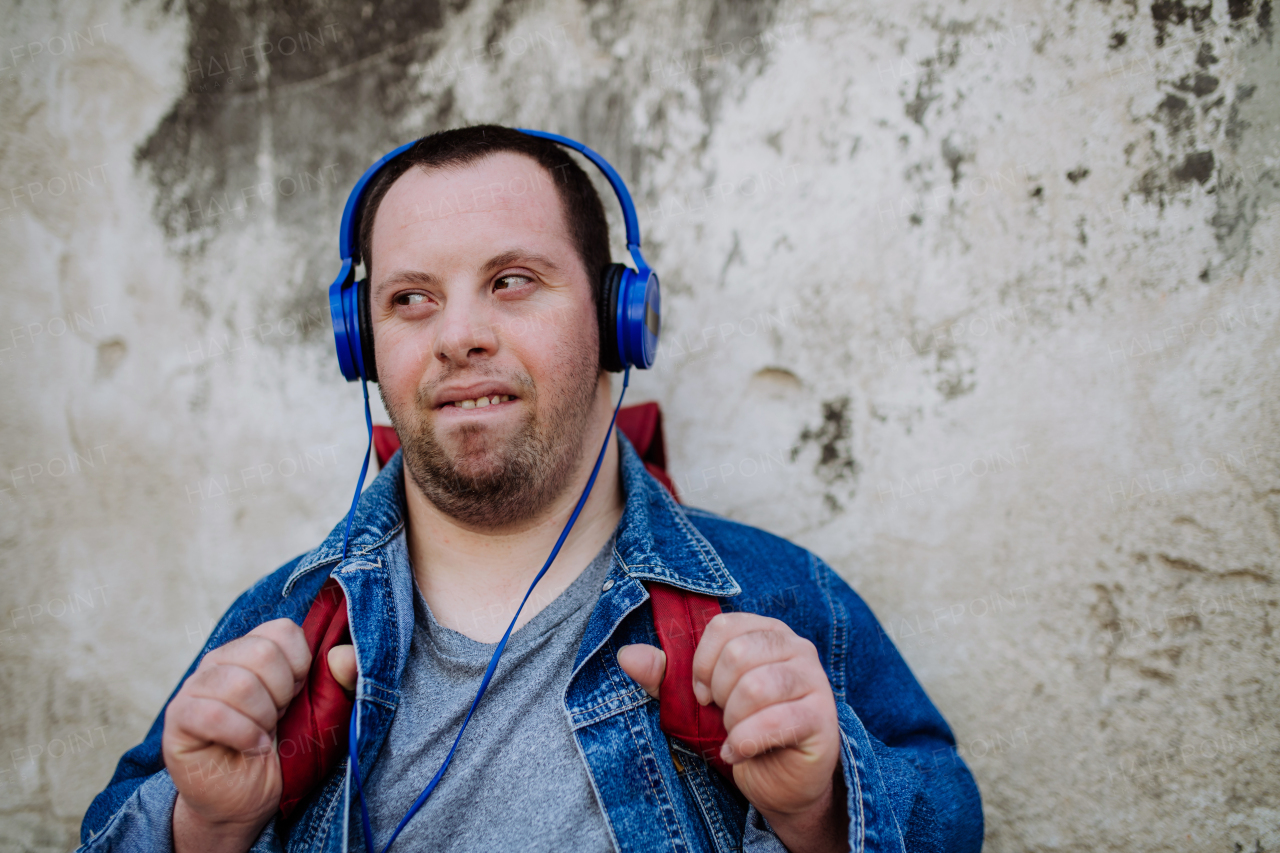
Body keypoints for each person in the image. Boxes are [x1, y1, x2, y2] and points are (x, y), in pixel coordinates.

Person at [79, 125, 983, 852]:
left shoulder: (782, 601)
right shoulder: (281, 625)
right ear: (363, 345)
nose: (458, 333)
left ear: (621, 321)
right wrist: (208, 829)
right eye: (411, 298)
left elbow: (952, 822)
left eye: (512, 281)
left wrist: (818, 816)